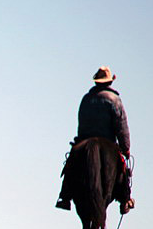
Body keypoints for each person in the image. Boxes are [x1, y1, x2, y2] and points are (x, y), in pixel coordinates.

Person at [56, 66, 134, 213]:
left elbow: (81, 123)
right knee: (123, 169)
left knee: (71, 164)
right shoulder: (115, 100)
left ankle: (64, 196)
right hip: (108, 141)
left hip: (84, 139)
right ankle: (125, 199)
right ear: (109, 82)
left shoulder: (86, 99)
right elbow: (121, 126)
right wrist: (126, 148)